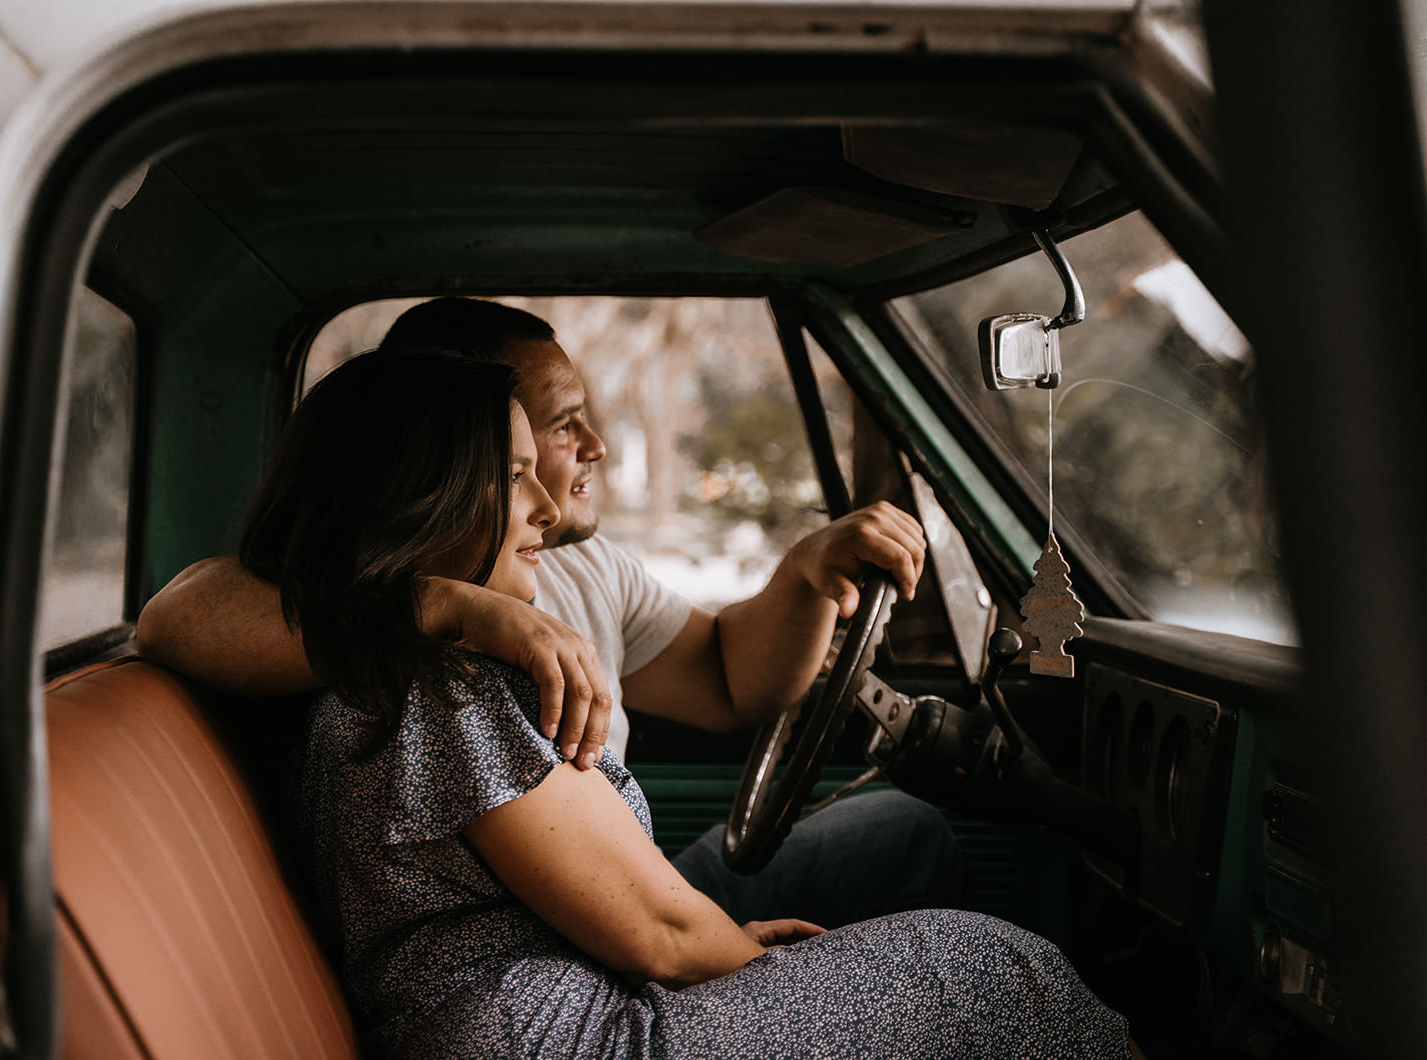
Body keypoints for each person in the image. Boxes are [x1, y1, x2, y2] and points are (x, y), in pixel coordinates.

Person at [241, 345, 1133, 1060]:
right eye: (515, 475)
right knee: (996, 974)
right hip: (556, 1038)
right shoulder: (444, 681)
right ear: (424, 492)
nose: (547, 507)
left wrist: (749, 957)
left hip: (541, 1009)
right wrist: (752, 963)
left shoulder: (382, 662)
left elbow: (726, 678)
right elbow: (663, 934)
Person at [137, 297, 957, 928]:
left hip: (629, 896)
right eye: (560, 425)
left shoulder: (577, 558)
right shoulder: (373, 613)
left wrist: (806, 573)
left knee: (904, 829)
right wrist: (450, 605)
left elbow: (728, 678)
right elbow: (174, 617)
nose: (595, 444)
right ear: (460, 438)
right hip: (568, 944)